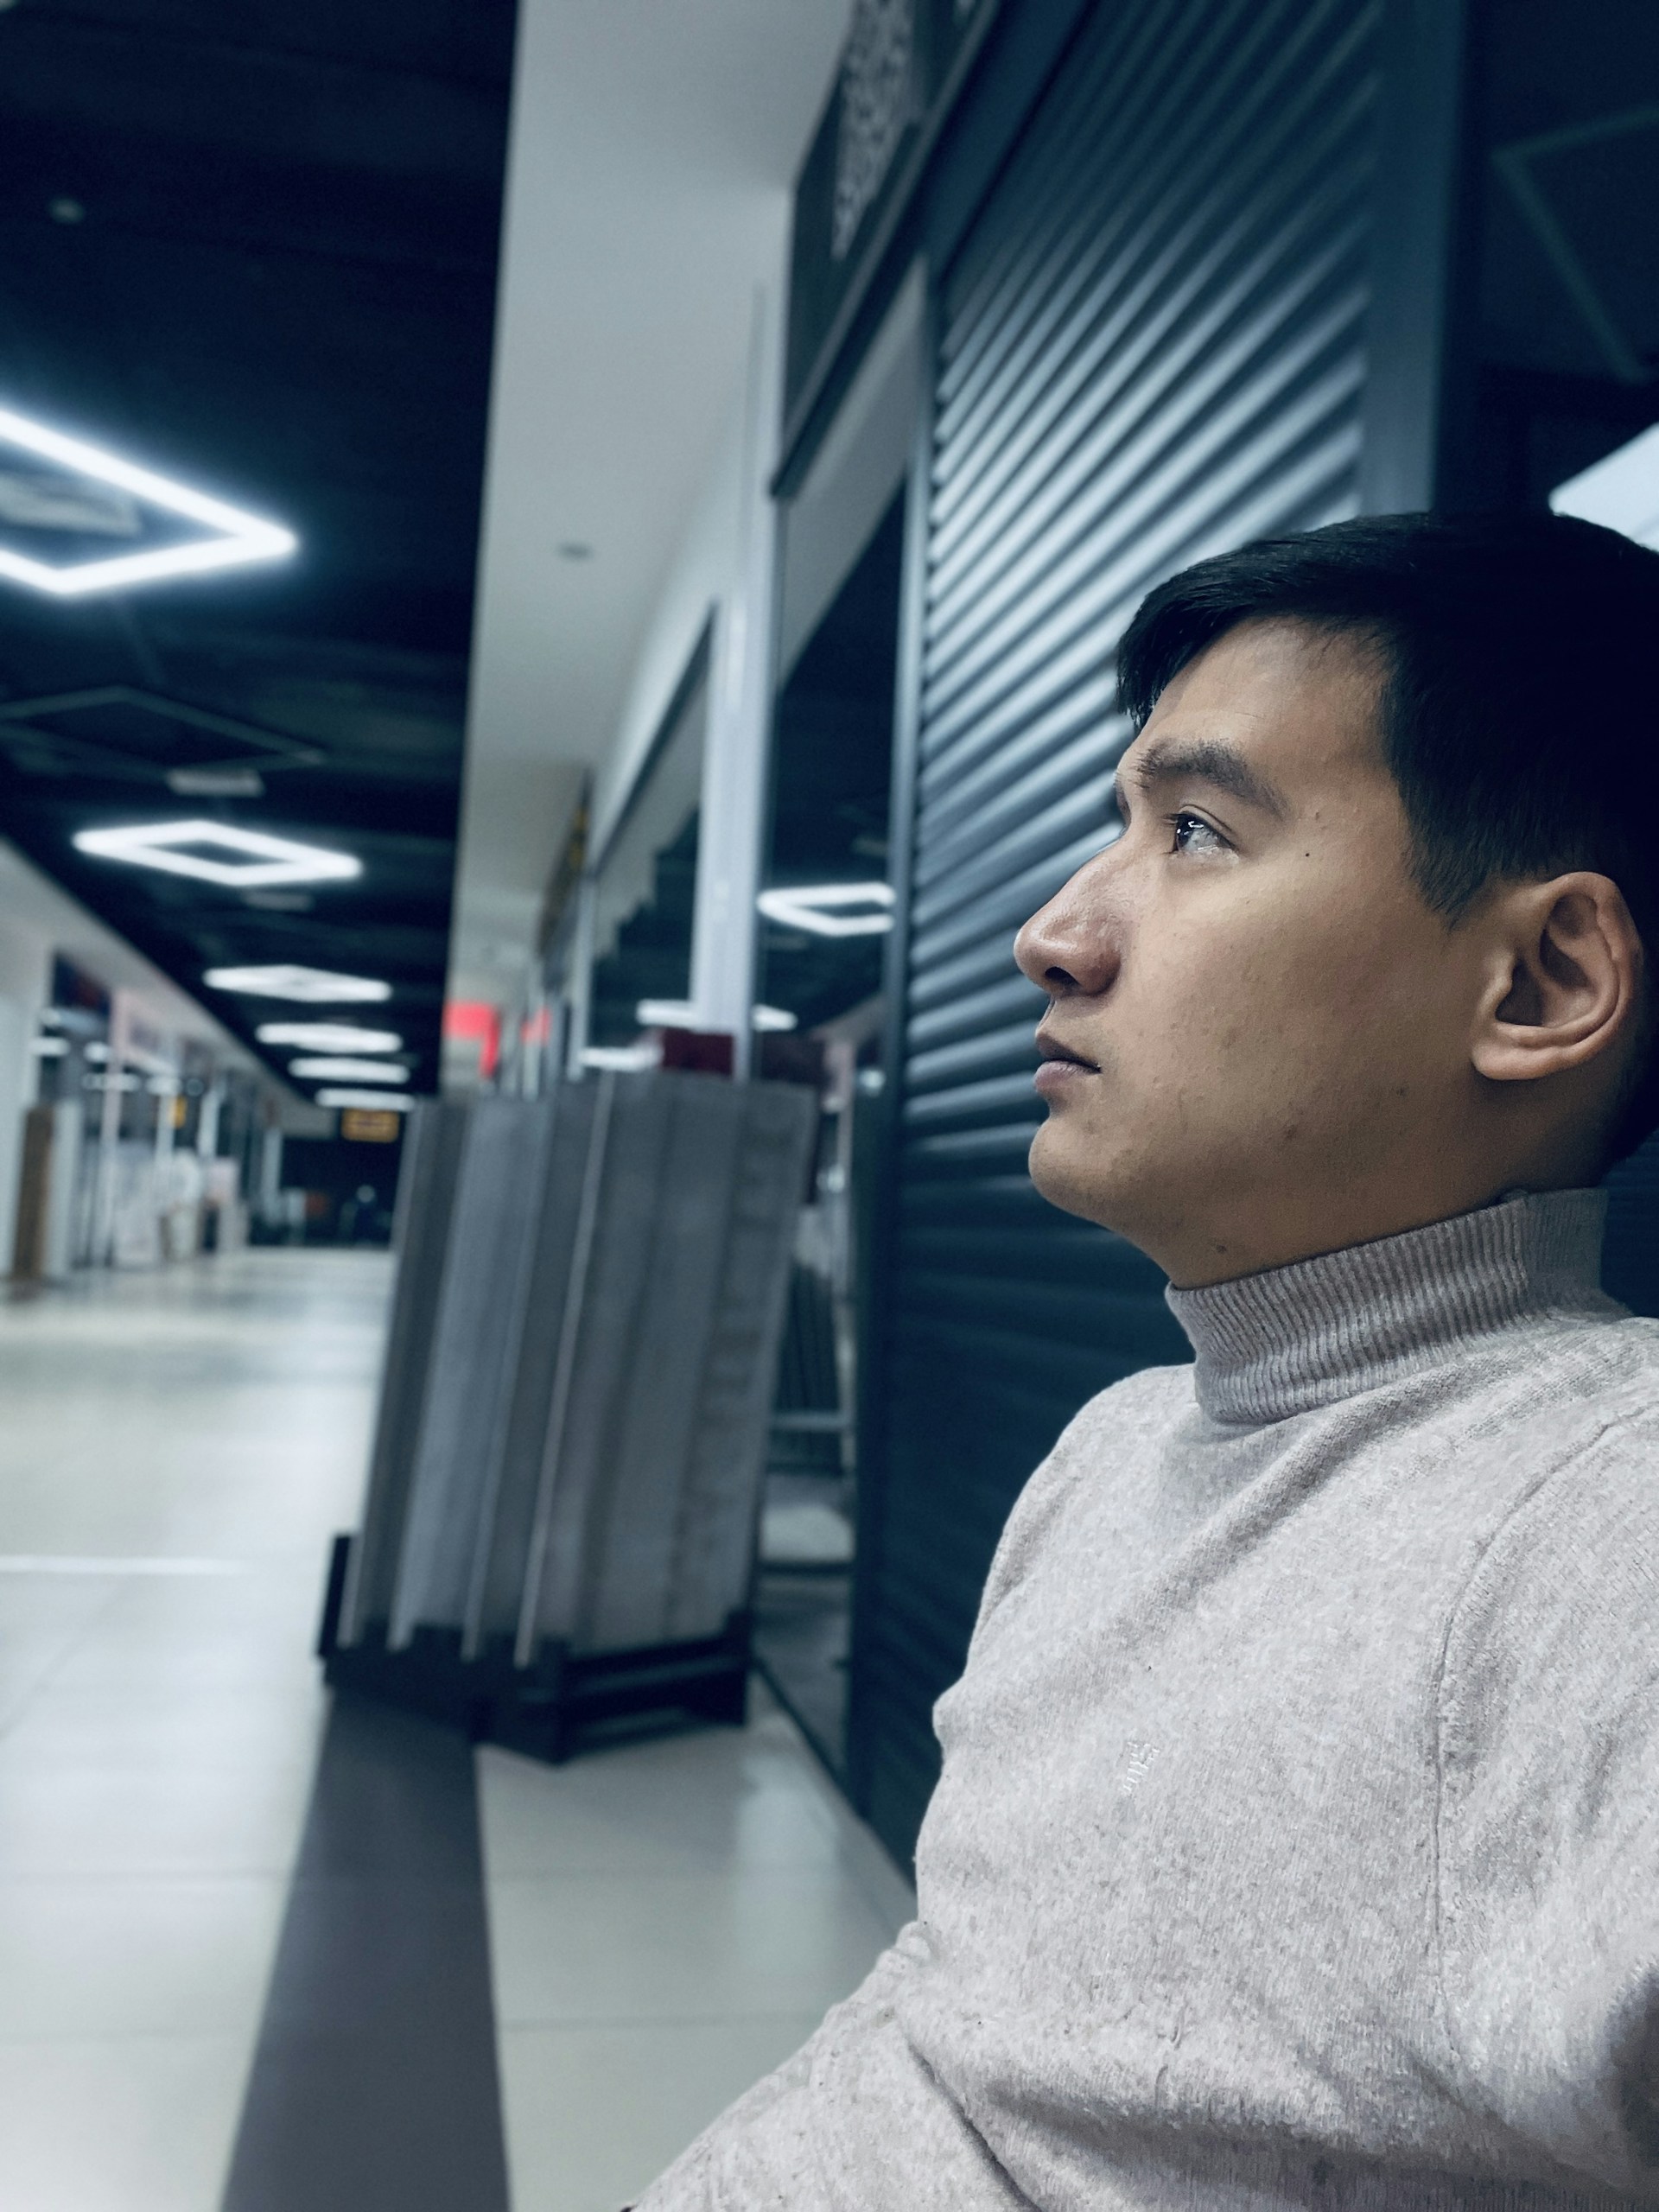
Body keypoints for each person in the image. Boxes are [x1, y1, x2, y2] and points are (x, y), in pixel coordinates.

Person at [639, 511, 1659, 2208]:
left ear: (1544, 979)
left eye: (1195, 829)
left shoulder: (1609, 1521)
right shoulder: (1116, 1445)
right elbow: (963, 2022)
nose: (1054, 931)